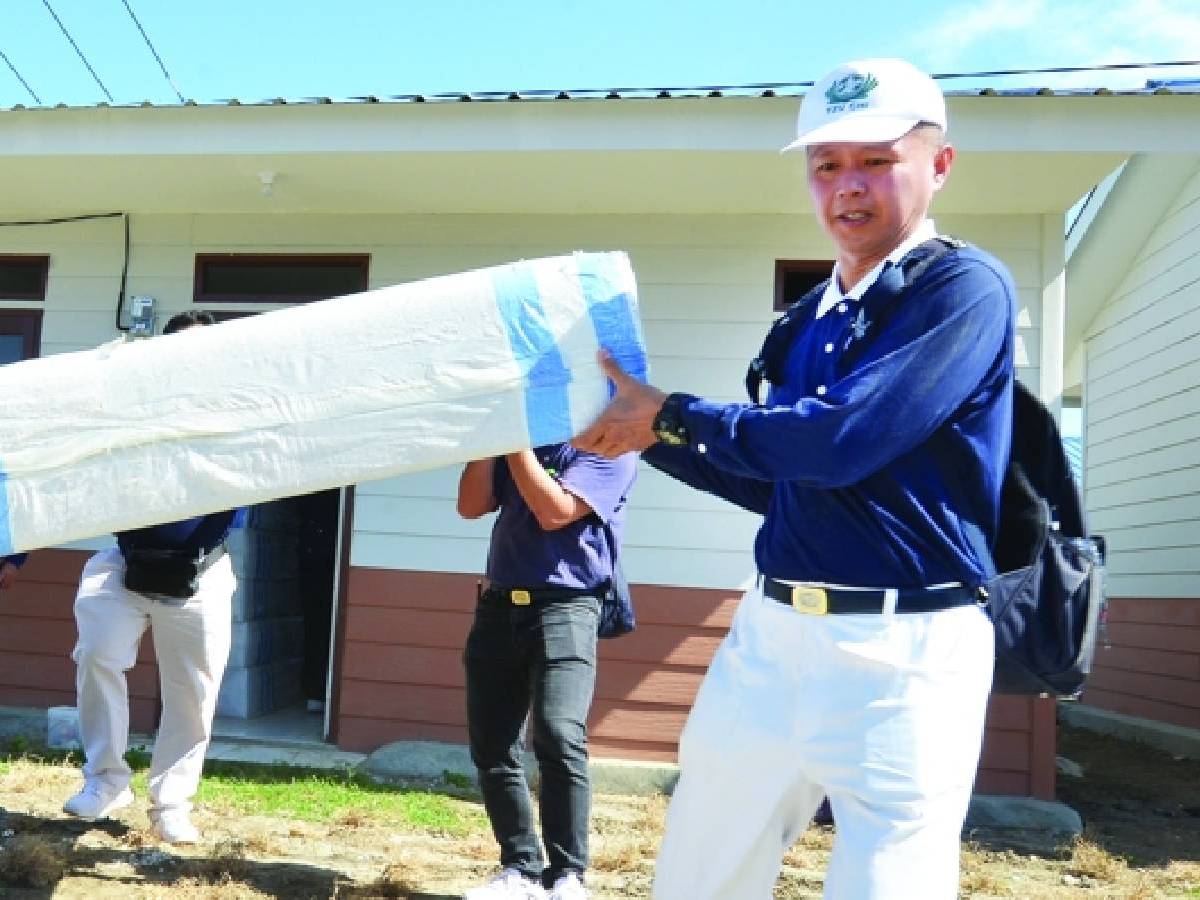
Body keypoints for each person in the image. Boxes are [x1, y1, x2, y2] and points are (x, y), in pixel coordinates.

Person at [574, 58, 1016, 899]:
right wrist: (637, 434)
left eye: (876, 161)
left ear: (939, 165)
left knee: (889, 885)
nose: (847, 186)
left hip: (906, 652)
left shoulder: (961, 289)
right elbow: (778, 481)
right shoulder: (804, 320)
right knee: (702, 872)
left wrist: (667, 415)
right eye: (827, 165)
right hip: (770, 637)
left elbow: (837, 441)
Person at [63, 310, 239, 845]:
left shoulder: (230, 417)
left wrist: (184, 555)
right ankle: (105, 780)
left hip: (200, 569)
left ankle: (172, 805)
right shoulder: (133, 411)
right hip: (125, 562)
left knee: (192, 691)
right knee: (97, 654)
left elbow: (241, 496)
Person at [457, 445, 637, 900]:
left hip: (567, 606)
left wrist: (514, 446)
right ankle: (520, 869)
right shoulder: (521, 443)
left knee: (559, 735)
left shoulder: (608, 448)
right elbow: (470, 506)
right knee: (493, 743)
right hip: (499, 604)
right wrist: (489, 443)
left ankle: (568, 875)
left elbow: (554, 512)